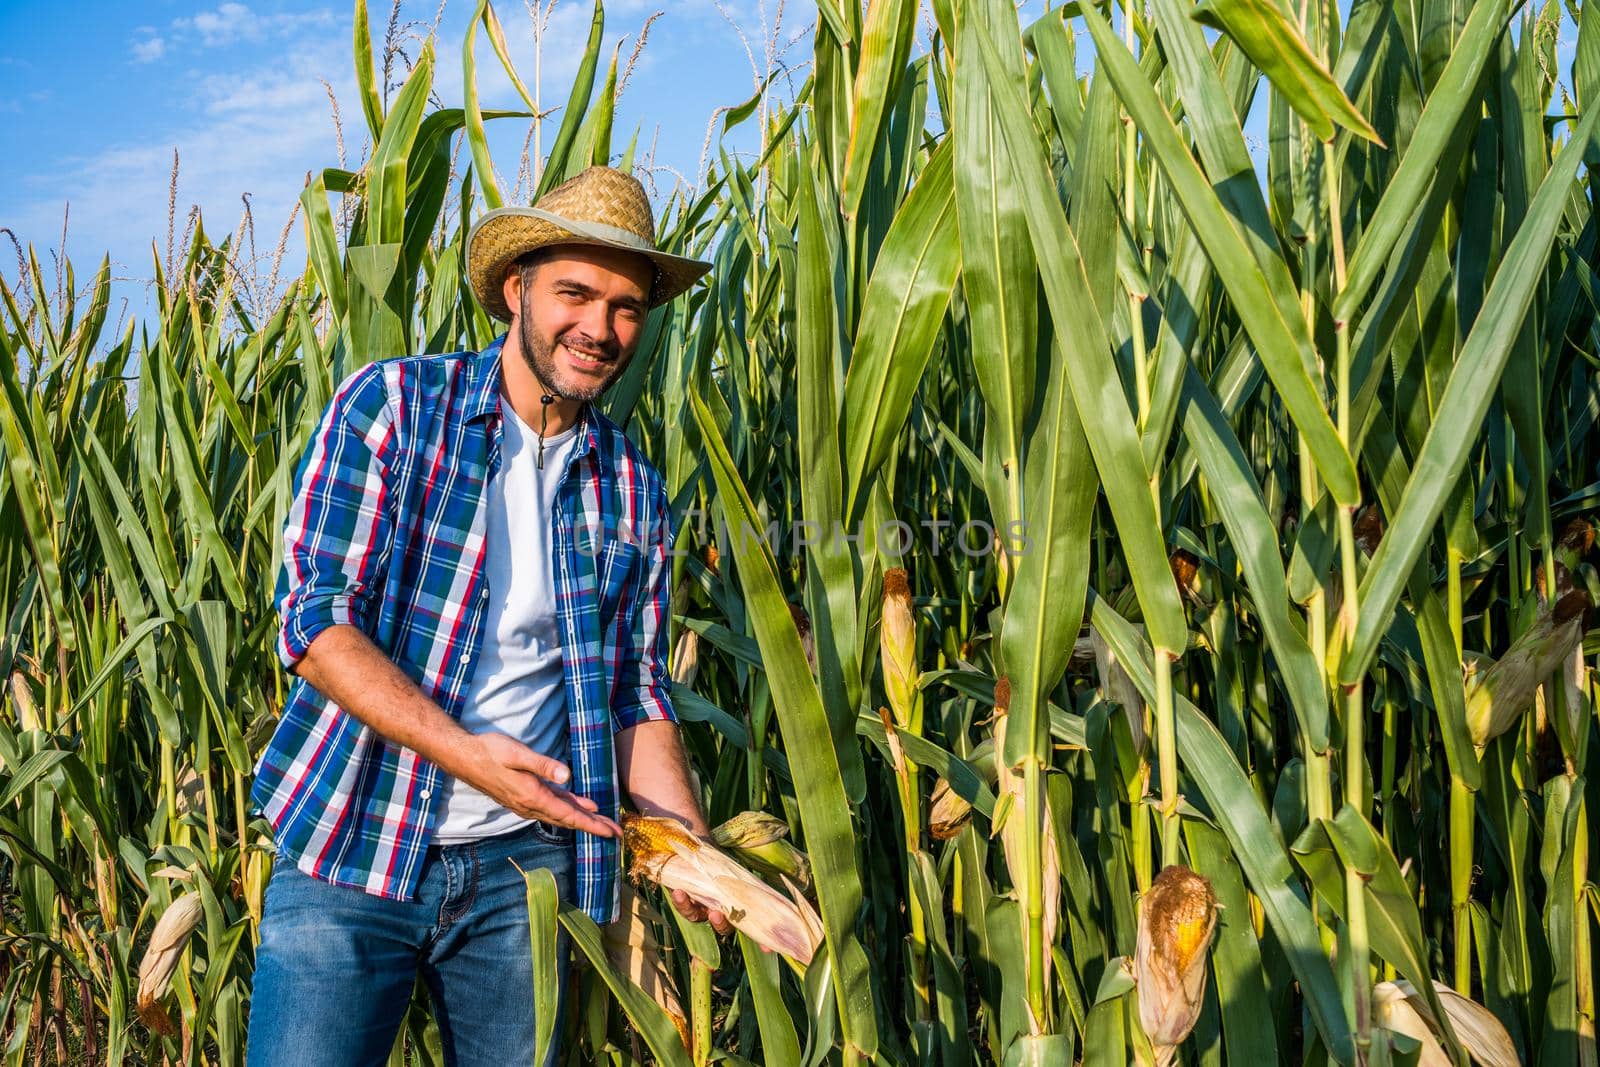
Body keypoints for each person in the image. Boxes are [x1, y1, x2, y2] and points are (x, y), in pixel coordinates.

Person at [244, 165, 729, 1066]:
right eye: (575, 293)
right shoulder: (393, 409)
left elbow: (636, 692)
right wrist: (473, 760)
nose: (600, 328)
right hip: (353, 844)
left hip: (524, 874)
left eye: (627, 306)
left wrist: (688, 847)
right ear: (517, 291)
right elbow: (316, 624)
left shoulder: (632, 489)